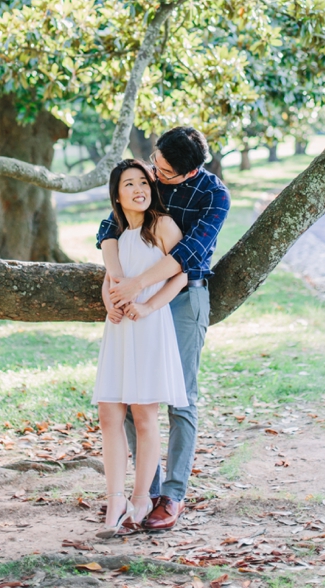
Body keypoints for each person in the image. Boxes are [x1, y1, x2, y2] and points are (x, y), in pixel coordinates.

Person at [94, 125, 230, 533]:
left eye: (164, 171)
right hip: (134, 301)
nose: (155, 174)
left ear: (187, 174)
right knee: (135, 395)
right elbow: (110, 227)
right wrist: (117, 289)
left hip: (184, 297)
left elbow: (189, 255)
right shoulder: (151, 175)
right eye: (155, 162)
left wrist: (140, 290)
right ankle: (144, 490)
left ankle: (171, 494)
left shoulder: (214, 196)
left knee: (180, 398)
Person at [92, 160, 189, 538]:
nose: (139, 189)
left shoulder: (162, 226)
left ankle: (140, 499)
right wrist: (109, 302)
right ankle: (115, 498)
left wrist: (148, 306)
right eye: (129, 184)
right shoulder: (117, 235)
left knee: (145, 418)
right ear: (117, 194)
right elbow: (109, 280)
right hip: (119, 330)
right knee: (109, 415)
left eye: (143, 182)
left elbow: (182, 275)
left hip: (149, 326)